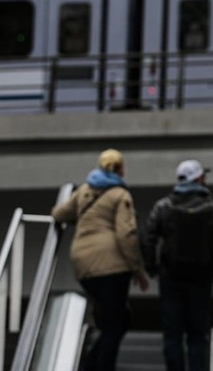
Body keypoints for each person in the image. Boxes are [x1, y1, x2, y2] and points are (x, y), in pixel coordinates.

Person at [140, 159, 213, 371]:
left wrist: (152, 267)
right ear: (199, 178)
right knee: (198, 335)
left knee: (172, 335)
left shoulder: (163, 206)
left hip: (170, 279)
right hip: (201, 280)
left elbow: (147, 237)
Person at [51, 148, 149, 371]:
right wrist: (136, 269)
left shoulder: (84, 190)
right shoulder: (120, 195)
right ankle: (99, 367)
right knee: (117, 322)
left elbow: (59, 214)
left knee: (111, 319)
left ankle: (90, 364)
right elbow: (126, 234)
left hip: (82, 265)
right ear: (120, 169)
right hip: (112, 266)